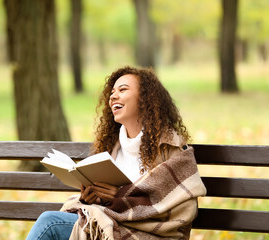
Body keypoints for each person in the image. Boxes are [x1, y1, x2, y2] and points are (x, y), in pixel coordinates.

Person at [26, 66, 206, 240]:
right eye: (112, 92)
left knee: (50, 223)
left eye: (123, 89)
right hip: (108, 226)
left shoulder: (169, 146)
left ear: (145, 98)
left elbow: (176, 204)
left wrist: (120, 196)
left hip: (148, 233)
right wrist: (90, 198)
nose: (113, 96)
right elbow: (105, 209)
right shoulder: (112, 147)